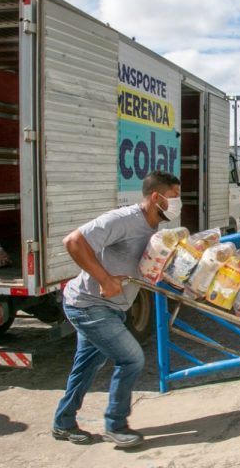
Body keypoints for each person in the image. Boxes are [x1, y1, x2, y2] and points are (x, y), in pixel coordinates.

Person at [52, 170, 181, 448]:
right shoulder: (123, 220)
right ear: (156, 197)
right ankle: (116, 424)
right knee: (132, 358)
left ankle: (63, 423)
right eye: (174, 197)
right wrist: (105, 279)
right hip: (89, 305)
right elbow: (73, 242)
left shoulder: (153, 227)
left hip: (112, 308)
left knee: (87, 365)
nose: (177, 203)